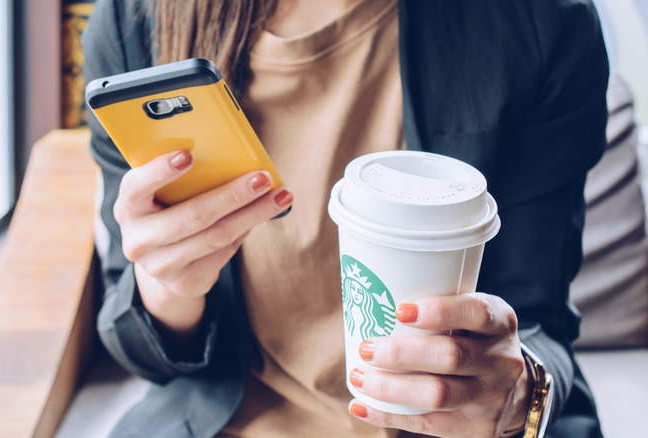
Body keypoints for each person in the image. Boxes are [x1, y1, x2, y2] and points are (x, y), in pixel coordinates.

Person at [83, 0, 609, 437]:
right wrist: (169, 283)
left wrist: (514, 397)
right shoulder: (138, 24)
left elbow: (539, 327)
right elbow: (140, 348)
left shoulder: (540, 22)